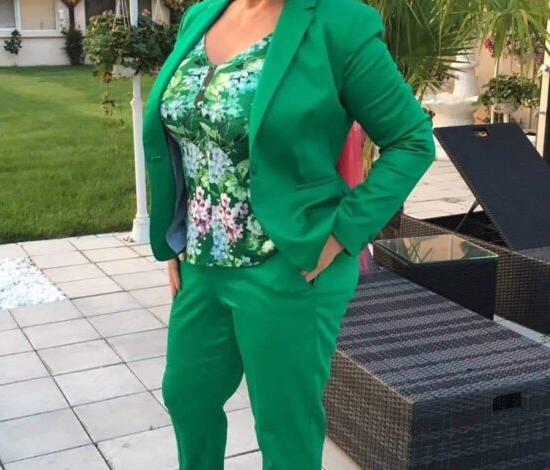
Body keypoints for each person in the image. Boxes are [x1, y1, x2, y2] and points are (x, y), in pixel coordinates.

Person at [141, 0, 436, 468]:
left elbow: (412, 141)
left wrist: (342, 233)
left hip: (288, 265)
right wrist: (177, 231)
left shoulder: (339, 24)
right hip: (201, 262)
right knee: (187, 397)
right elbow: (187, 138)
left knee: (284, 427)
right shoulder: (202, 15)